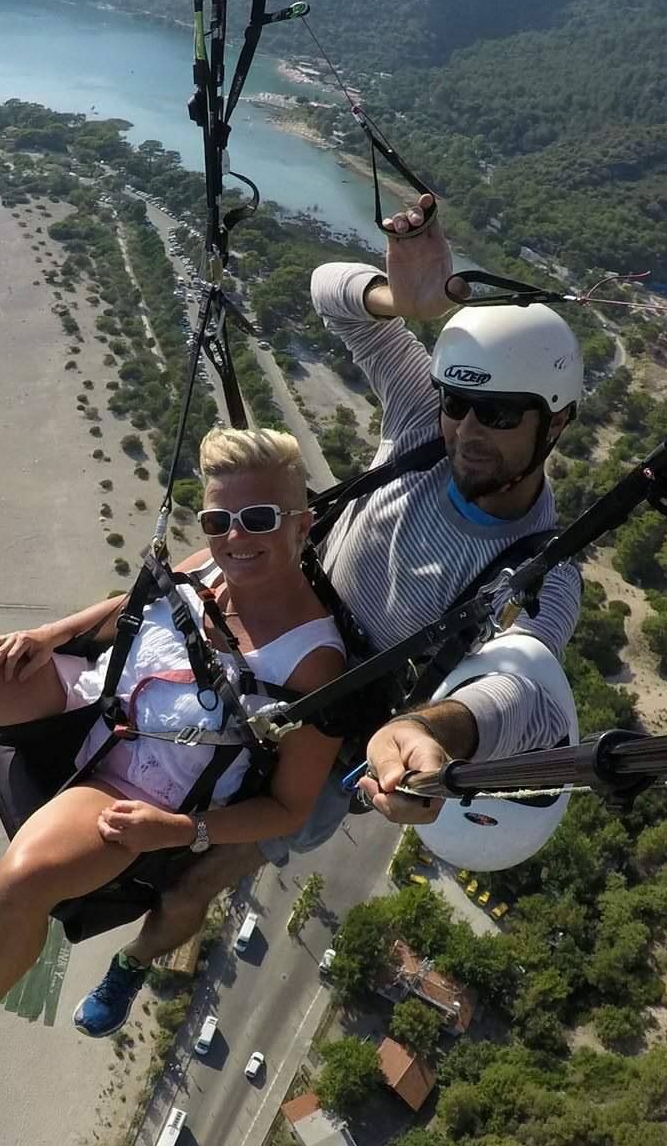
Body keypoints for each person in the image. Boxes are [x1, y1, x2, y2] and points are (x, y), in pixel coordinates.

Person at [72, 194, 586, 1037]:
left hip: (342, 715)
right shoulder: (425, 415)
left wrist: (438, 734)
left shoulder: (541, 566)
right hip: (284, 596)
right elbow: (327, 292)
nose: (466, 430)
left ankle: (133, 962)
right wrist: (409, 301)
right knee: (116, 623)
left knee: (203, 871)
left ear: (555, 420)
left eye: (498, 415)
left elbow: (524, 683)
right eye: (461, 403)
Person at [0, 426, 346, 1114]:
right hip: (88, 696)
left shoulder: (314, 665)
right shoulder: (215, 566)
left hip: (137, 784)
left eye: (258, 520)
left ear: (301, 525)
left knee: (22, 879)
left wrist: (180, 830)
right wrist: (44, 638)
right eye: (219, 520)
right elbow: (138, 605)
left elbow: (288, 810)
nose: (235, 538)